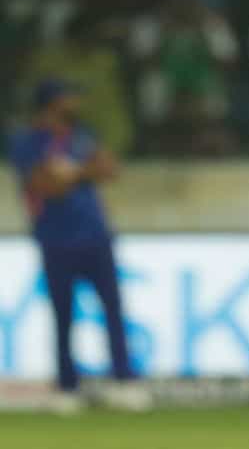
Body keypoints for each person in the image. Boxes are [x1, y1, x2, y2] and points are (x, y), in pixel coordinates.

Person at [6, 79, 150, 413]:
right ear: (52, 103)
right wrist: (84, 171)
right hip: (56, 238)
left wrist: (71, 172)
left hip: (96, 235)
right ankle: (67, 386)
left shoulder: (82, 135)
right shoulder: (28, 141)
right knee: (63, 313)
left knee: (113, 309)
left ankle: (123, 380)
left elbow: (109, 170)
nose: (75, 104)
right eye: (69, 98)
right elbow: (44, 185)